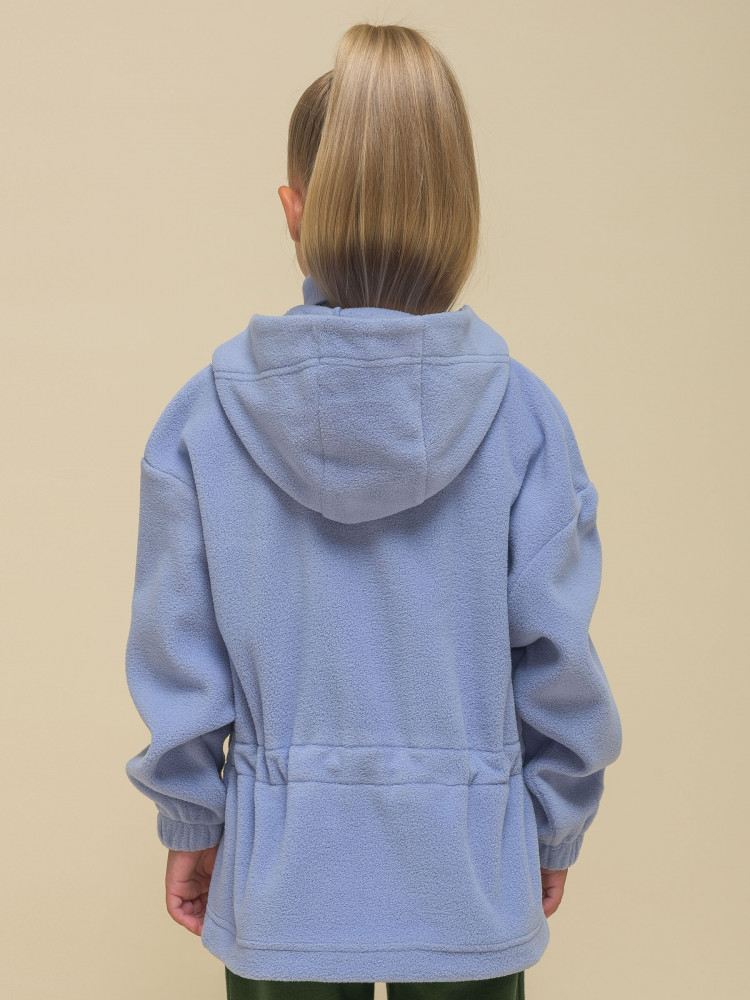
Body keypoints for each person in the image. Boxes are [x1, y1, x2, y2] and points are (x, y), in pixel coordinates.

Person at [124, 21, 623, 1000]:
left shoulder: (203, 421)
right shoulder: (525, 419)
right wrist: (553, 823)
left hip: (281, 889)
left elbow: (178, 654)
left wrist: (192, 819)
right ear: (453, 208)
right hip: (471, 877)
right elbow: (560, 659)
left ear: (294, 210)